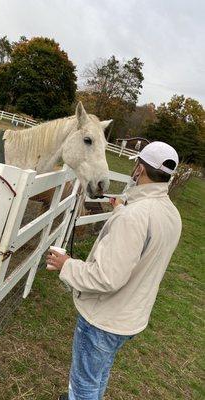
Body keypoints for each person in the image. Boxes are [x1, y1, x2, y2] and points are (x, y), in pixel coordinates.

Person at [46, 141, 182, 400]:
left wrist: (67, 265)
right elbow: (143, 237)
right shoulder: (171, 215)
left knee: (84, 381)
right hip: (129, 317)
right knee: (100, 371)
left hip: (104, 319)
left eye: (135, 165)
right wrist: (120, 207)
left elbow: (107, 277)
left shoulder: (133, 218)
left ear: (139, 170)